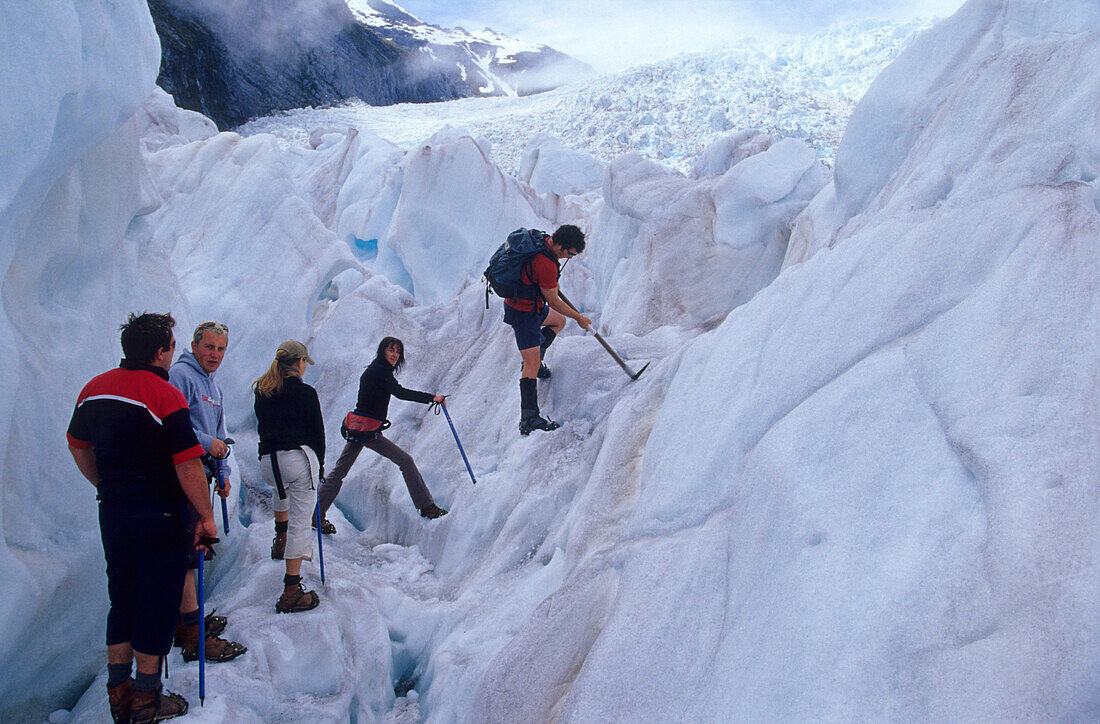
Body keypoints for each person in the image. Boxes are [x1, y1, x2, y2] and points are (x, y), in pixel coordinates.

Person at [67, 312, 217, 724]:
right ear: (160, 351)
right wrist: (204, 517)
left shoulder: (92, 390)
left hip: (113, 509)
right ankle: (147, 701)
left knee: (124, 598)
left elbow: (77, 445)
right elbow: (187, 464)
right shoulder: (164, 394)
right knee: (156, 603)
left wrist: (104, 484)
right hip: (160, 510)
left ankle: (119, 695)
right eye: (171, 345)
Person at [168, 320, 246, 663]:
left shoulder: (214, 388)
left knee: (192, 552)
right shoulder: (181, 377)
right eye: (209, 347)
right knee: (186, 554)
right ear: (194, 345)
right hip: (182, 474)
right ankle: (191, 631)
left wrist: (224, 472)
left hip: (203, 474)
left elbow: (220, 434)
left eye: (221, 349)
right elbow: (174, 426)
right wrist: (207, 445)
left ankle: (185, 623)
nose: (215, 354)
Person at [316, 337, 447, 529]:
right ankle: (427, 507)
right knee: (406, 461)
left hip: (359, 429)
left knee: (339, 472)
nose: (395, 355)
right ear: (382, 351)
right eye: (391, 350)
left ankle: (315, 515)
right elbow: (400, 393)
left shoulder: (374, 369)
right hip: (368, 431)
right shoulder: (380, 371)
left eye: (398, 351)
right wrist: (432, 398)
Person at [253, 340, 325, 613]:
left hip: (268, 463)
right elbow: (317, 434)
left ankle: (279, 540)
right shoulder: (305, 393)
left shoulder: (263, 390)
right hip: (296, 459)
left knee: (279, 490)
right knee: (301, 521)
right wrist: (320, 467)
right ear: (299, 362)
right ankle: (292, 590)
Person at [501, 224, 591, 435]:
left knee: (558, 322)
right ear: (559, 244)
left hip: (531, 307)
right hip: (524, 314)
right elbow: (554, 300)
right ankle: (529, 418)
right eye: (569, 253)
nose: (569, 258)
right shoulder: (546, 264)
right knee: (530, 365)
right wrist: (579, 317)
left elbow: (549, 295)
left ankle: (536, 358)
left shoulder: (541, 240)